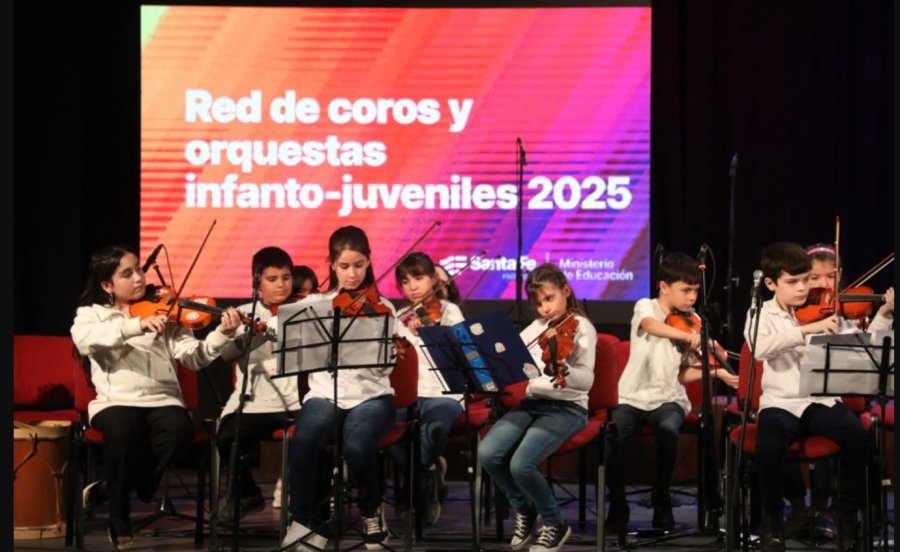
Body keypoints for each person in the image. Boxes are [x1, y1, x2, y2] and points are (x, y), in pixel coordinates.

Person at [72, 244, 241, 551]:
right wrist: (136, 325)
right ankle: (119, 518)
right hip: (115, 399)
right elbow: (85, 341)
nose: (139, 277)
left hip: (163, 398)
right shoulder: (91, 315)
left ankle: (112, 489)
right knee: (124, 432)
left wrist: (221, 335)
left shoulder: (164, 306)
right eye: (127, 273)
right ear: (107, 285)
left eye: (139, 269)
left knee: (179, 432)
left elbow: (193, 357)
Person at [743, 241, 892, 552]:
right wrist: (807, 330)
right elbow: (759, 348)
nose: (802, 289)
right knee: (768, 445)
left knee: (857, 436)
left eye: (805, 280)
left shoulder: (826, 310)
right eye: (793, 282)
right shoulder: (761, 313)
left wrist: (885, 314)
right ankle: (773, 523)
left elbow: (866, 347)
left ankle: (846, 516)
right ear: (771, 284)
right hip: (780, 404)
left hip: (819, 401)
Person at [280, 226, 397, 551]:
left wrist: (379, 345)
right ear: (332, 264)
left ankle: (372, 514)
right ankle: (301, 523)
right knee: (303, 439)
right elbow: (299, 356)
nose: (352, 274)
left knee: (358, 446)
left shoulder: (382, 306)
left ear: (369, 261)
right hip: (325, 394)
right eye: (344, 266)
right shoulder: (315, 304)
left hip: (371, 397)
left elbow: (385, 368)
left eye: (359, 265)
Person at [606, 251, 739, 536]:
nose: (691, 298)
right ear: (664, 287)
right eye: (685, 290)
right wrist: (688, 336)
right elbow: (650, 327)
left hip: (669, 397)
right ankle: (617, 508)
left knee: (668, 433)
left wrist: (715, 371)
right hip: (632, 395)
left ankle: (661, 500)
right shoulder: (647, 307)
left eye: (695, 291)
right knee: (612, 438)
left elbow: (682, 373)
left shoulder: (694, 321)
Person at [478, 263, 597, 551]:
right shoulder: (537, 328)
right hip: (532, 405)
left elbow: (587, 381)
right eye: (538, 303)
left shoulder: (582, 328)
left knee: (521, 464)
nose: (544, 308)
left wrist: (563, 372)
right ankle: (525, 508)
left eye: (550, 298)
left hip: (567, 409)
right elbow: (516, 363)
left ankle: (555, 523)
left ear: (566, 291)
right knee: (488, 453)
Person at [215, 246, 301, 525]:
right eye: (272, 279)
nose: (281, 285)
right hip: (254, 402)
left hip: (296, 402)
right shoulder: (243, 313)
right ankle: (248, 494)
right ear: (257, 282)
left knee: (318, 435)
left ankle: (311, 508)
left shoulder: (303, 309)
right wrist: (259, 333)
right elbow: (227, 354)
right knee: (227, 435)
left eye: (286, 277)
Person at [388, 252, 465, 525]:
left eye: (419, 278)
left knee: (435, 428)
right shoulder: (398, 317)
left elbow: (462, 353)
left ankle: (416, 486)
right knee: (386, 431)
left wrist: (432, 333)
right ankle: (427, 476)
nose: (412, 286)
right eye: (406, 281)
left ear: (434, 279)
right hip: (409, 394)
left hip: (444, 392)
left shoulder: (448, 311)